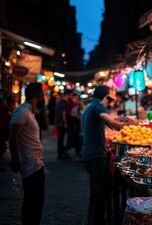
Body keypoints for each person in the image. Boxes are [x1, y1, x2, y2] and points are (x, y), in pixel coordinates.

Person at [81, 85, 135, 225]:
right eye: (109, 99)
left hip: (90, 154)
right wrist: (125, 126)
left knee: (97, 193)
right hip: (96, 156)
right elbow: (108, 119)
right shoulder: (98, 106)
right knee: (98, 194)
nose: (109, 103)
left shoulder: (89, 107)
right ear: (105, 97)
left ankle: (96, 221)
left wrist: (119, 121)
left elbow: (110, 121)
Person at [9, 82, 45, 225]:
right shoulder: (22, 111)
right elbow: (12, 137)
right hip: (30, 164)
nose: (43, 97)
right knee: (32, 200)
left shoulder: (30, 112)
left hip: (37, 162)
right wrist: (15, 159)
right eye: (42, 94)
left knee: (37, 201)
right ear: (37, 94)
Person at [55, 90, 72, 159]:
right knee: (61, 138)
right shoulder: (64, 103)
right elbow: (63, 114)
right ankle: (60, 153)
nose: (70, 97)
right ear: (66, 95)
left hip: (58, 123)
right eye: (69, 95)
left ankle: (61, 152)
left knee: (60, 138)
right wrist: (65, 123)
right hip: (61, 123)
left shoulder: (59, 102)